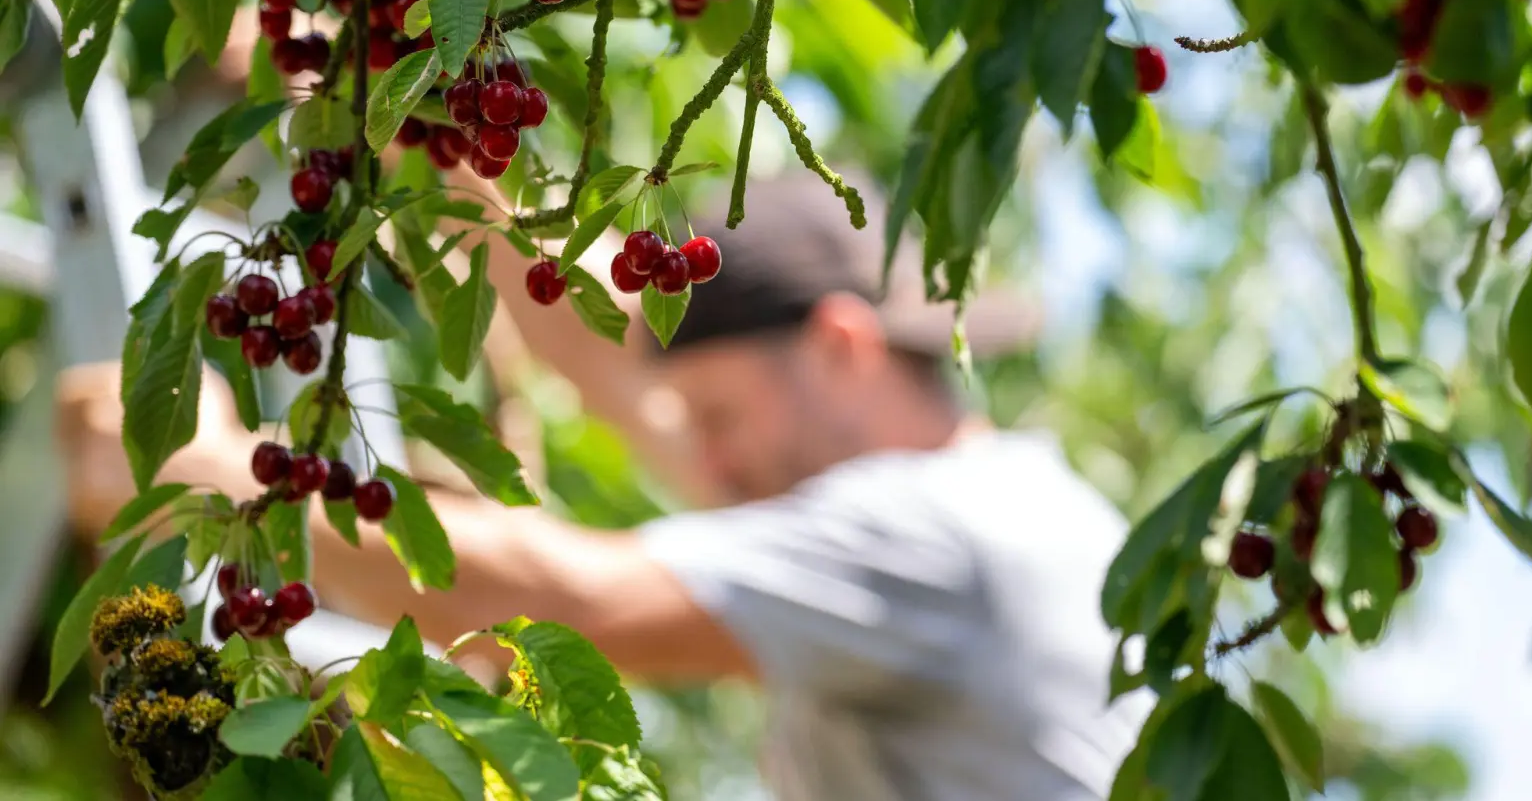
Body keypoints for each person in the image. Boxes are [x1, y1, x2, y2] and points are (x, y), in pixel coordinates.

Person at [61, 171, 1151, 800]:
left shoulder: (937, 533)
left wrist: (210, 476)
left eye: (718, 419)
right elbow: (608, 360)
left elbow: (575, 605)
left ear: (841, 348)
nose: (705, 466)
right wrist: (414, 132)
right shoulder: (987, 503)